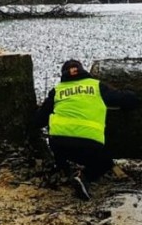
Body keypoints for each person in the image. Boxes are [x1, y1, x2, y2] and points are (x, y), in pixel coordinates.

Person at [35, 59, 140, 200]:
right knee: (104, 162)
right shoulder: (97, 87)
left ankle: (63, 170)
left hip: (60, 145)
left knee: (58, 145)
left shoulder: (57, 91)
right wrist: (132, 96)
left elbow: (39, 121)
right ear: (83, 71)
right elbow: (127, 100)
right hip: (89, 145)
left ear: (64, 75)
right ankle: (84, 177)